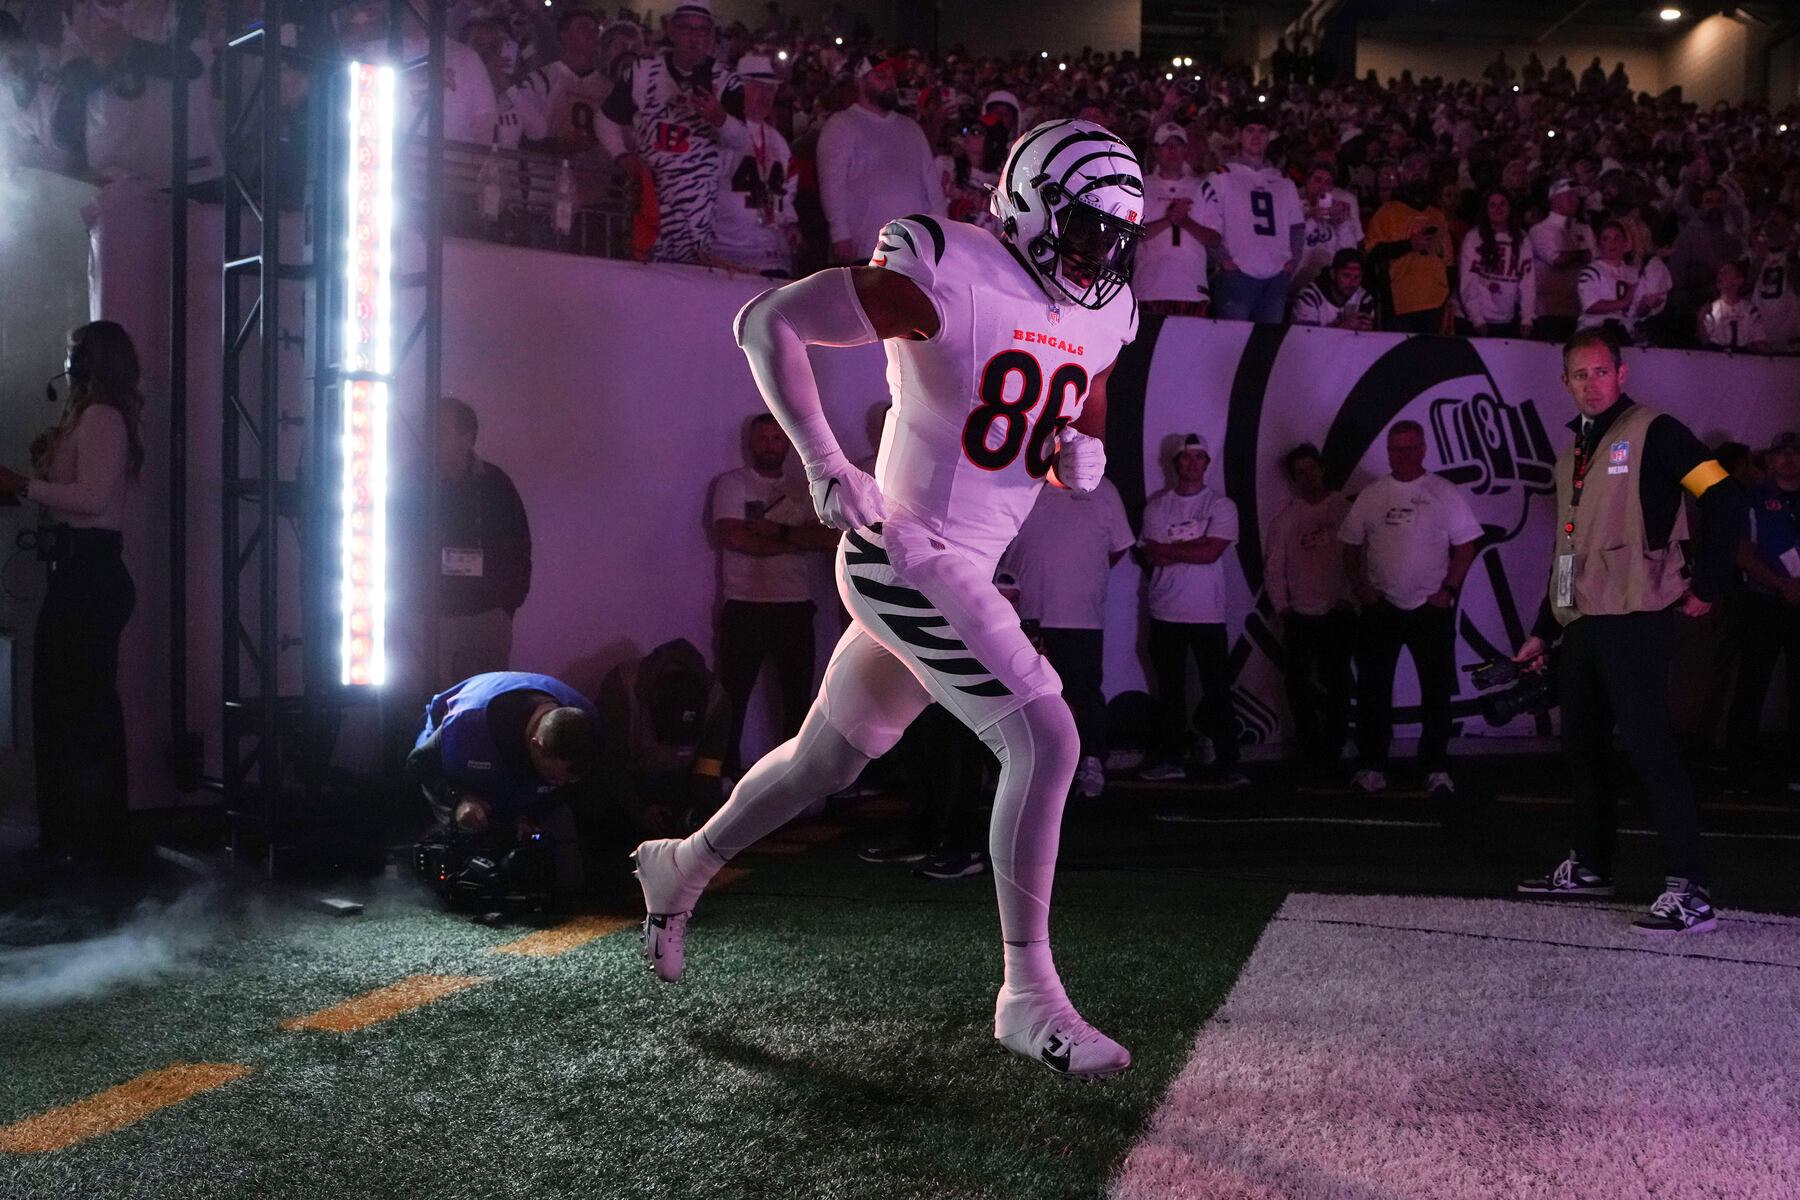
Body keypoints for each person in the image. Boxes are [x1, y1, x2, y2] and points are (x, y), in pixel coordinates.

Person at [633, 118, 1145, 1080]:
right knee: (1047, 739)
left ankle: (684, 860)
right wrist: (825, 462)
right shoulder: (950, 267)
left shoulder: (1107, 308)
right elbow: (766, 321)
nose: (1099, 257)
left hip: (962, 566)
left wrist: (1082, 454)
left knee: (824, 762)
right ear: (1032, 205)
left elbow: (1079, 406)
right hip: (902, 549)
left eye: (1116, 238)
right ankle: (1028, 994)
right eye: (1085, 230)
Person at [1513, 328, 1744, 935]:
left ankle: (1691, 891)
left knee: (1649, 750)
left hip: (1637, 615)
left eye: (1600, 372)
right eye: (1579, 375)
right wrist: (1543, 629)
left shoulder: (1656, 431)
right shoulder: (1572, 452)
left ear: (1622, 374)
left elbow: (1725, 497)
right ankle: (1592, 866)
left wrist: (1709, 583)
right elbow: (1569, 551)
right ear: (1565, 383)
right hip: (1583, 622)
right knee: (1582, 747)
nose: (1590, 384)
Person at [0, 322, 145, 870]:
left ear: (93, 361)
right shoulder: (91, 417)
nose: (68, 363)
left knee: (79, 708)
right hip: (81, 572)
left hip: (91, 574)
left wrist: (22, 484)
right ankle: (80, 834)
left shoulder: (102, 417)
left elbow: (91, 498)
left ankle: (90, 837)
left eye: (75, 354)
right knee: (71, 705)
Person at [1339, 420, 1481, 799]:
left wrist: (1448, 590)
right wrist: (1360, 588)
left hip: (1430, 608)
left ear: (1422, 449)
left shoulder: (1443, 492)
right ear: (1388, 452)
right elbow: (1350, 546)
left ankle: (1436, 767)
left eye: (1408, 448)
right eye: (1394, 449)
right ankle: (1372, 766)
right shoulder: (1372, 494)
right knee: (1373, 690)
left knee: (1436, 690)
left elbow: (1466, 546)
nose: (1401, 455)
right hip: (1381, 607)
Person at [710, 413, 839, 773]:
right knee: (731, 699)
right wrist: (799, 541)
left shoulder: (805, 488)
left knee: (798, 702)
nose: (769, 445)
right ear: (750, 443)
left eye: (776, 438)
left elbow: (830, 539)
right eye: (763, 438)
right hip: (744, 606)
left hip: (796, 608)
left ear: (788, 444)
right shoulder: (732, 484)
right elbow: (733, 537)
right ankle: (723, 778)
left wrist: (776, 533)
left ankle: (794, 779)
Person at [999, 477, 1136, 799]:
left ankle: (1090, 762)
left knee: (1083, 692)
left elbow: (1118, 546)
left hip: (1080, 616)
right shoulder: (1018, 482)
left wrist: (1080, 574)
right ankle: (1020, 769)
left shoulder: (1103, 489)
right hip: (1023, 615)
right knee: (1023, 697)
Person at [408, 670, 599, 899]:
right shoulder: (466, 723)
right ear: (536, 746)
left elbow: (565, 791)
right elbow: (418, 764)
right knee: (474, 842)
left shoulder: (589, 722)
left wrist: (530, 817)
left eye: (567, 779)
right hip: (460, 755)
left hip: (512, 775)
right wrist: (458, 799)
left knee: (569, 878)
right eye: (552, 776)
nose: (559, 783)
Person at [597, 0, 744, 264]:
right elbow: (605, 119)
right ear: (672, 31)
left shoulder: (727, 81)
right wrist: (622, 156)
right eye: (686, 29)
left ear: (711, 36)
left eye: (702, 30)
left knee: (688, 278)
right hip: (648, 197)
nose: (694, 38)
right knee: (641, 272)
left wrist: (720, 118)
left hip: (699, 207)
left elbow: (741, 140)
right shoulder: (642, 73)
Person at [1138, 434, 1247, 790]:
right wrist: (1196, 545)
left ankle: (1229, 764)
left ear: (1207, 464)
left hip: (1207, 615)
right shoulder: (1157, 507)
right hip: (1165, 611)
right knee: (1170, 692)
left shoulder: (1222, 505)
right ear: (1176, 463)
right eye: (1186, 457)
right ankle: (1172, 760)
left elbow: (1211, 553)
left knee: (1217, 691)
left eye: (1199, 457)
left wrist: (1173, 548)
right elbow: (1154, 556)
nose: (1192, 463)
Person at [594, 637, 732, 848]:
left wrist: (705, 816)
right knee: (598, 804)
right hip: (629, 780)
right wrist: (639, 810)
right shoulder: (622, 689)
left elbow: (709, 766)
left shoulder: (717, 701)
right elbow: (610, 763)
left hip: (683, 780)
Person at [1265, 443, 1353, 774]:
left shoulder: (1343, 510)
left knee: (1339, 683)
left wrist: (1348, 598)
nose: (1307, 476)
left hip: (1337, 611)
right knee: (1297, 685)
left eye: (1311, 469)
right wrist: (1282, 606)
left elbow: (1358, 556)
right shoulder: (1286, 518)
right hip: (1300, 614)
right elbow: (1274, 566)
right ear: (1293, 478)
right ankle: (1310, 745)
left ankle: (1335, 745)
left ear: (1322, 469)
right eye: (1299, 472)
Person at [434, 397, 531, 689]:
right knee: (431, 699)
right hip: (433, 616)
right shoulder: (412, 481)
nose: (432, 437)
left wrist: (505, 607)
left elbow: (519, 547)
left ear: (467, 438)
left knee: (486, 699)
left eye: (441, 429)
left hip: (487, 615)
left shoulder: (496, 483)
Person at [1723, 431, 1800, 792]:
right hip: (1764, 601)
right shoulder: (1753, 499)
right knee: (1752, 683)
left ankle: (1794, 768)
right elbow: (1743, 553)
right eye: (1781, 453)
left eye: (1795, 453)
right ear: (1769, 460)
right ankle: (1739, 768)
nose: (1789, 459)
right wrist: (1781, 584)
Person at [815, 52, 942, 266]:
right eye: (881, 77)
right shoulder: (842, 125)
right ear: (861, 81)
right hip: (868, 247)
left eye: (892, 77)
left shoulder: (910, 128)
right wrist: (840, 234)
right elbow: (832, 183)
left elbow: (931, 184)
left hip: (917, 251)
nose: (890, 83)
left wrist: (940, 231)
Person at [1196, 108, 1304, 324]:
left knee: (1267, 341)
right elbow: (1206, 223)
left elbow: (1297, 225)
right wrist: (1222, 259)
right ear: (1239, 135)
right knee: (1233, 340)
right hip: (1236, 274)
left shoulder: (1283, 180)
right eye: (1250, 130)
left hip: (1276, 276)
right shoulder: (1221, 176)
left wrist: (1292, 261)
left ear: (1269, 136)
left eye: (1262, 131)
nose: (1256, 136)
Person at [708, 54, 798, 276]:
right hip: (728, 257)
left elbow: (786, 195)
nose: (765, 95)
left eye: (771, 88)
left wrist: (791, 224)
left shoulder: (778, 141)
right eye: (757, 86)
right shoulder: (720, 134)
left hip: (774, 259)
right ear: (739, 88)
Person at [1364, 155, 1451, 334]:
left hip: (1436, 302)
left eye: (1422, 168)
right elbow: (1372, 253)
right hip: (1400, 304)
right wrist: (1408, 245)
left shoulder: (1438, 215)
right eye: (1412, 168)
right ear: (1402, 174)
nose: (1418, 172)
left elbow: (1448, 261)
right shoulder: (1386, 213)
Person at [507, 6, 610, 153]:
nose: (591, 33)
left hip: (594, 166)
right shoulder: (540, 79)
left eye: (595, 29)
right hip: (548, 165)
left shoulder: (608, 87)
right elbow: (524, 134)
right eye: (583, 27)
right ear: (564, 35)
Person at [1134, 123, 1211, 317]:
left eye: (1177, 145)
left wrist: (1185, 222)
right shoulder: (1142, 186)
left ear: (1185, 149)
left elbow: (1214, 238)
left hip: (1192, 289)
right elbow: (1134, 235)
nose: (1172, 150)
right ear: (1156, 151)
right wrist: (1169, 220)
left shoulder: (1202, 187)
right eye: (1166, 145)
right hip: (1149, 288)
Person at [1526, 178, 1597, 342]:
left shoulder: (1585, 229)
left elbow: (1595, 262)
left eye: (1577, 196)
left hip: (1581, 311)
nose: (1574, 200)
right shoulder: (1540, 229)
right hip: (1549, 312)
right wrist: (1581, 255)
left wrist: (1577, 256)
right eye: (1569, 195)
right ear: (1554, 199)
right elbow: (1558, 260)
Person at [1458, 188, 1535, 338]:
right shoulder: (1474, 237)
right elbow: (1469, 280)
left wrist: (1527, 317)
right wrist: (1477, 319)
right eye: (1492, 205)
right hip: (1478, 320)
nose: (1498, 209)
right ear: (1485, 210)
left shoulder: (1522, 237)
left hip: (1508, 318)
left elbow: (1527, 280)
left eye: (1502, 204)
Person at [1293, 160, 1363, 295]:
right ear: (1307, 183)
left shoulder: (1339, 213)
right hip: (1297, 285)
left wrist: (1342, 224)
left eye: (1327, 182)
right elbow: (1293, 244)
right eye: (1317, 180)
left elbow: (1348, 254)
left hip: (1328, 291)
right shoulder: (1295, 208)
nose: (1322, 186)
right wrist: (1314, 219)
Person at [1576, 220, 1639, 335]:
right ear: (1599, 244)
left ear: (1625, 242)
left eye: (1617, 238)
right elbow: (1590, 305)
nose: (1612, 243)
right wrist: (1624, 302)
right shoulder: (1591, 272)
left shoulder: (1634, 273)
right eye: (1606, 239)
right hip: (1594, 332)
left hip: (1627, 331)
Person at [1290, 248, 1375, 329]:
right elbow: (1306, 335)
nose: (1352, 282)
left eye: (1357, 277)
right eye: (1346, 275)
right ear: (1333, 273)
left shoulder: (1364, 299)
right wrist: (1343, 327)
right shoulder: (1310, 297)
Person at [1698, 260, 1768, 353]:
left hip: (1743, 357)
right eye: (1720, 272)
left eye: (1726, 272)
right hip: (1718, 356)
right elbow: (1704, 341)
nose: (1720, 275)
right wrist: (1700, 319)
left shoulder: (1750, 310)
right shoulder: (1711, 309)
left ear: (1739, 280)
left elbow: (1759, 341)